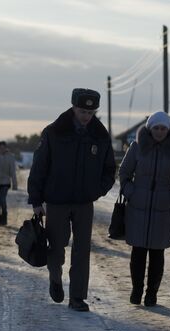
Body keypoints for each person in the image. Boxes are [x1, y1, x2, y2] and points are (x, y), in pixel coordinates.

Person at [27, 88, 116, 312]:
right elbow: (39, 167)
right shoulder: (54, 132)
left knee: (82, 249)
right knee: (56, 247)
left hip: (84, 202)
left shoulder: (100, 136)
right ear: (73, 108)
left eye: (91, 111)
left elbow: (109, 170)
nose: (86, 116)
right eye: (82, 111)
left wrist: (98, 191)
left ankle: (77, 297)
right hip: (57, 200)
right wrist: (36, 200)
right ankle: (55, 277)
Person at [118, 111, 170, 306]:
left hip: (163, 210)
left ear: (168, 129)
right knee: (138, 253)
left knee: (157, 254)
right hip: (137, 208)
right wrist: (131, 192)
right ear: (149, 129)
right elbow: (124, 173)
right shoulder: (137, 147)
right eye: (156, 128)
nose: (159, 131)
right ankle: (136, 290)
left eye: (163, 128)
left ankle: (151, 294)